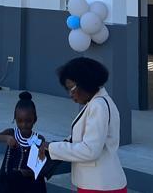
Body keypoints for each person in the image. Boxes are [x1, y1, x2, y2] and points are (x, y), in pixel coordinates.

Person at [37, 57, 127, 193]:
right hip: (95, 183)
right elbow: (81, 137)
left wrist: (52, 147)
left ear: (85, 84)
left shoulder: (98, 106)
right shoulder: (95, 103)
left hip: (100, 186)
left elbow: (90, 150)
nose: (70, 94)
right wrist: (54, 146)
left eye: (71, 89)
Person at [0, 91, 51, 192]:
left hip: (30, 185)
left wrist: (27, 173)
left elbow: (40, 167)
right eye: (20, 121)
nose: (24, 125)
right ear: (15, 119)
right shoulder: (11, 133)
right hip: (8, 184)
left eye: (28, 121)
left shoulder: (39, 139)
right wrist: (5, 138)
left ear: (35, 119)